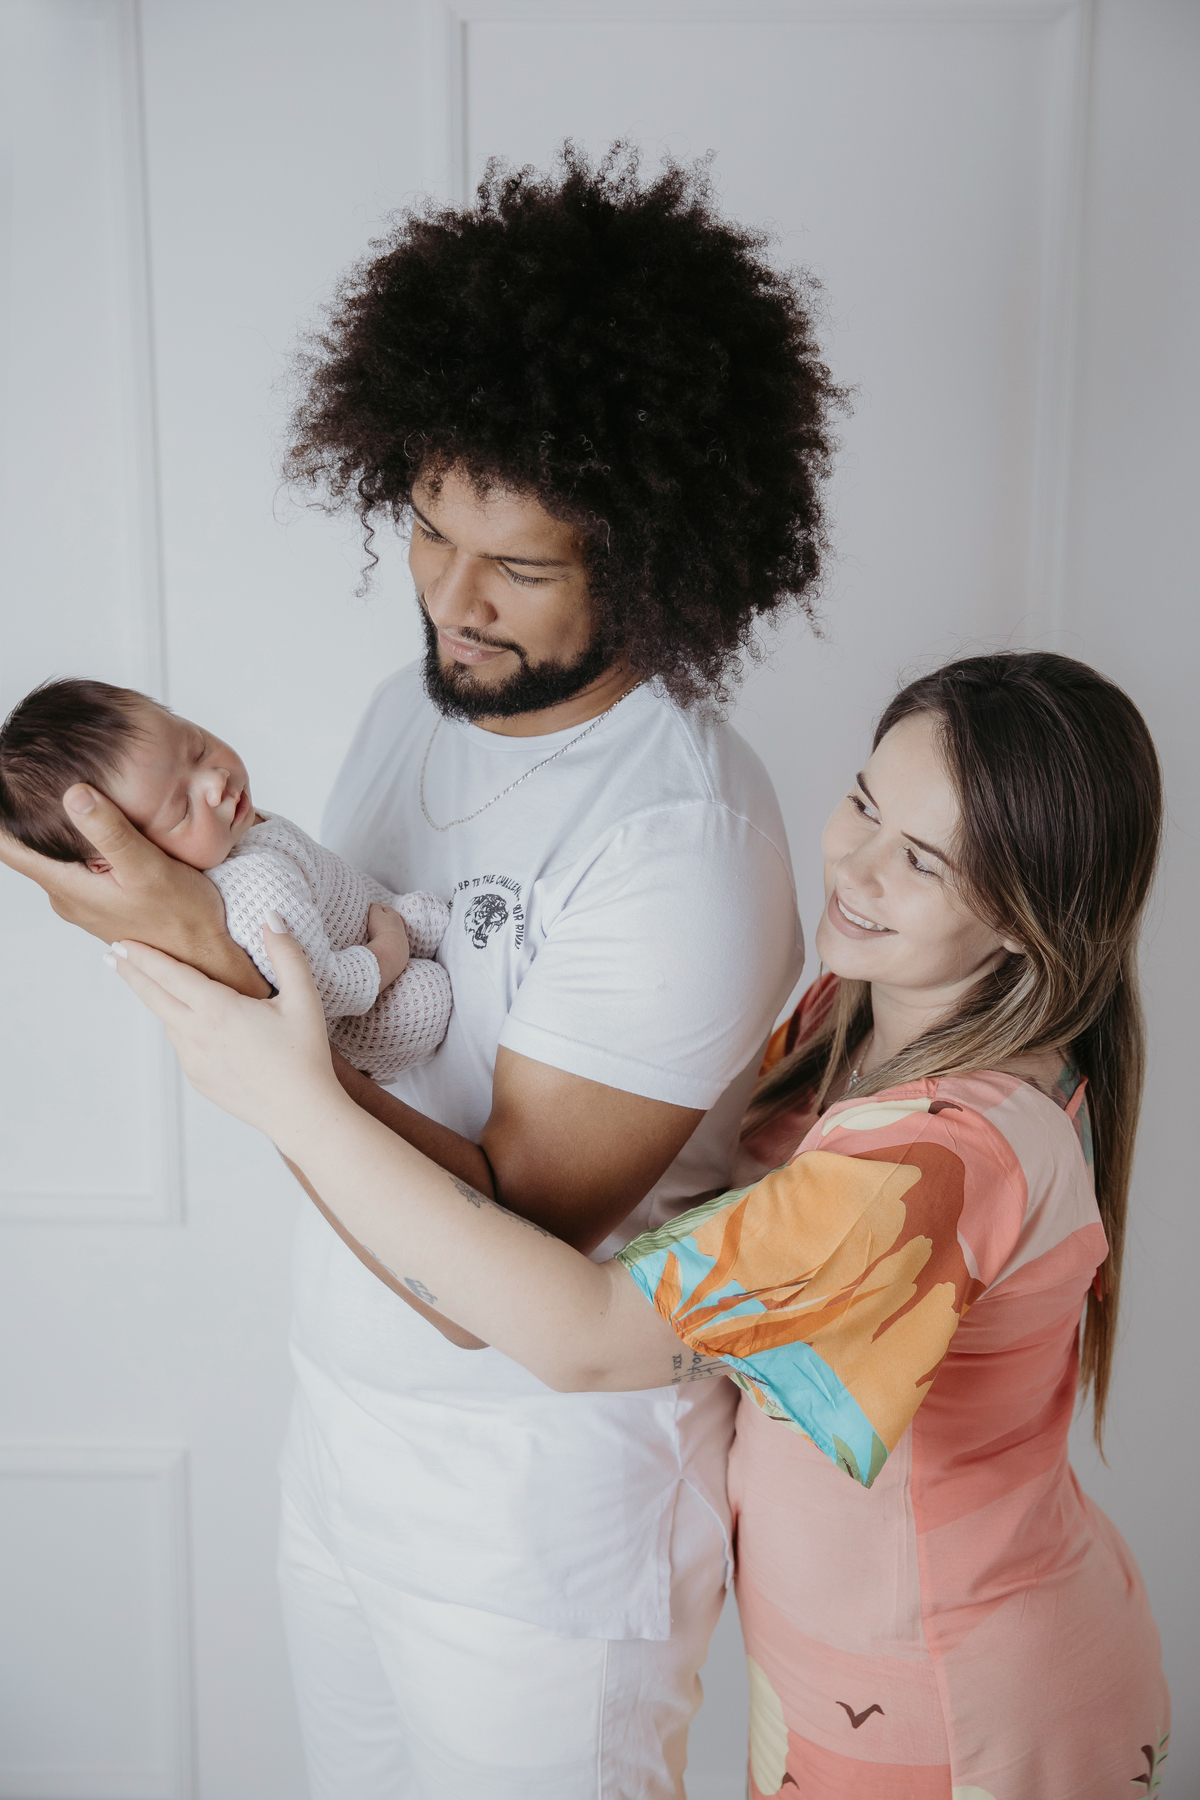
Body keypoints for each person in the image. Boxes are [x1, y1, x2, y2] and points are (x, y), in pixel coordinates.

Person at [0, 147, 843, 1796]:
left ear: (652, 562)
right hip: (347, 1442)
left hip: (541, 1511)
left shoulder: (683, 839)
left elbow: (498, 1275)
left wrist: (216, 981)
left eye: (517, 566)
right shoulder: (417, 704)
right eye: (430, 528)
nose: (450, 601)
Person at [108, 651, 1170, 1800]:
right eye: (865, 800)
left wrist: (290, 1092)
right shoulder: (855, 1013)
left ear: (1027, 918)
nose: (855, 868)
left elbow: (591, 1336)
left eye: (922, 860)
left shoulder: (934, 1163)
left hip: (954, 1702)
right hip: (858, 1664)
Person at [0, 678, 450, 1079]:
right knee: (428, 994)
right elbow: (324, 990)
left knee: (422, 915)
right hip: (370, 1016)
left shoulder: (238, 827)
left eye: (197, 747)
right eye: (180, 808)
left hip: (369, 923)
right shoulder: (252, 893)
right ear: (124, 856)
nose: (215, 782)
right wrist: (389, 946)